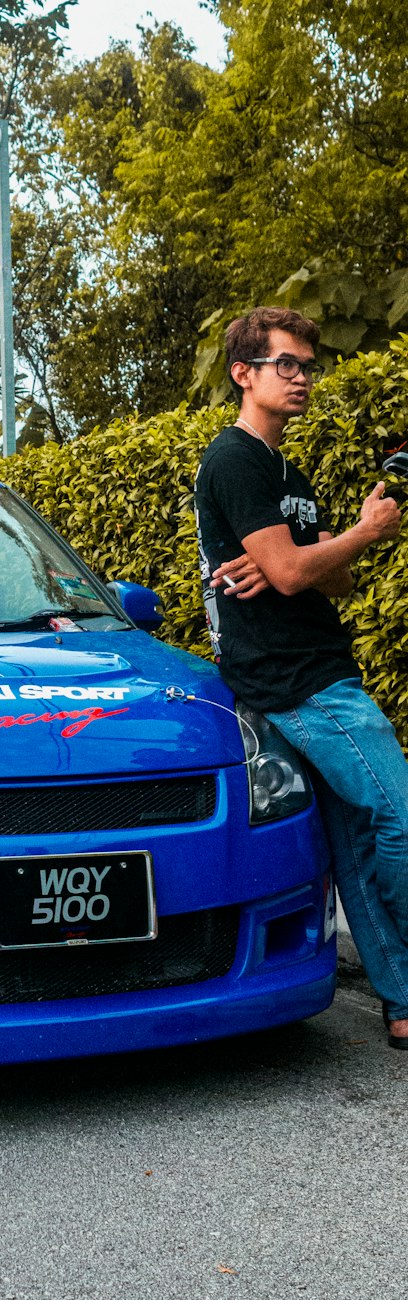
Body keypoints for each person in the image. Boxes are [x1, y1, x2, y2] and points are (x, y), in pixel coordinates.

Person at [194, 305, 408, 1048]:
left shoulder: (288, 472)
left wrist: (317, 550)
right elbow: (294, 570)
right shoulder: (235, 460)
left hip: (310, 667)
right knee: (401, 815)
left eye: (308, 366)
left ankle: (402, 1000)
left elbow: (331, 581)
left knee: (354, 839)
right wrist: (350, 539)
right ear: (243, 373)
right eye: (287, 363)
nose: (302, 377)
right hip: (301, 680)